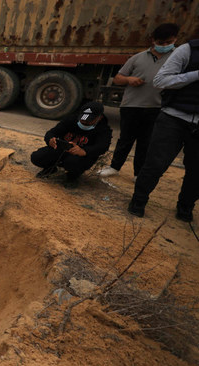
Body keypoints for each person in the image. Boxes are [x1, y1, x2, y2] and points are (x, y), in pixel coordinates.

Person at [128, 38, 199, 222]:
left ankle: (185, 207)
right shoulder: (187, 50)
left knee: (196, 171)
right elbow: (161, 80)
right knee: (155, 164)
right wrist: (195, 75)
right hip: (174, 117)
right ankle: (138, 201)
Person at [98, 23, 180, 179]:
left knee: (146, 142)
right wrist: (129, 79)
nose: (164, 46)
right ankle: (115, 167)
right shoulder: (138, 58)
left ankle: (138, 173)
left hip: (157, 107)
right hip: (132, 105)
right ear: (153, 40)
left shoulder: (176, 59)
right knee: (125, 139)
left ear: (175, 39)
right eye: (161, 43)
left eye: (168, 43)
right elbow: (118, 78)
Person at [31, 101, 113, 188]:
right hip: (62, 150)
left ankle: (72, 177)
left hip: (81, 157)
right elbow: (51, 132)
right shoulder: (71, 120)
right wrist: (50, 139)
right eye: (82, 119)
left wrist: (84, 151)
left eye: (88, 121)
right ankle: (50, 169)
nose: (84, 122)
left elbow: (102, 147)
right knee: (37, 157)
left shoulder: (104, 130)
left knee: (72, 162)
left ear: (99, 118)